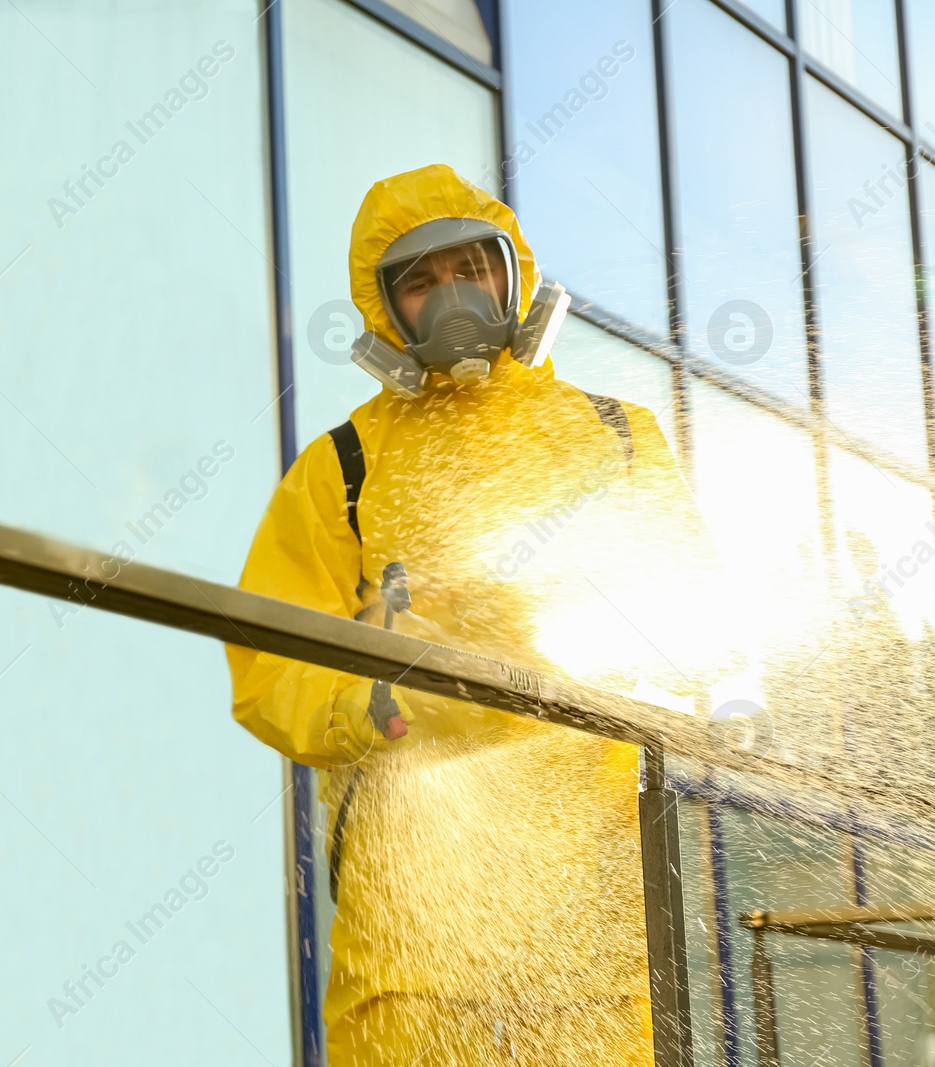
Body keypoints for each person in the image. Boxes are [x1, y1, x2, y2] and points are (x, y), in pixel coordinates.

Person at [227, 164, 716, 1066]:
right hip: (412, 920)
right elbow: (269, 665)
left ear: (512, 272)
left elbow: (698, 623)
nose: (452, 295)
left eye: (470, 267)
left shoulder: (619, 435)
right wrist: (374, 701)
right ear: (384, 309)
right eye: (418, 280)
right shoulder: (341, 470)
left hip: (593, 913)